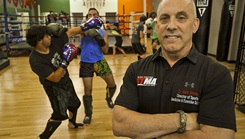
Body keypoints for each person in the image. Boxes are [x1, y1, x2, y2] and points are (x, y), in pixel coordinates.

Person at [112, 0, 236, 139]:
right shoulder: (137, 69)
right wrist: (183, 120)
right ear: (157, 26)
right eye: (164, 19)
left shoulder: (216, 74)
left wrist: (146, 130)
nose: (171, 26)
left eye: (181, 18)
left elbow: (220, 136)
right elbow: (119, 124)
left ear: (195, 25)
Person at [27, 17, 102, 138]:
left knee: (75, 104)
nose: (50, 37)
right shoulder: (36, 61)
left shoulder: (53, 42)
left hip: (66, 80)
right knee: (59, 114)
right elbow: (55, 78)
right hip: (54, 87)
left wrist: (86, 26)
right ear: (39, 41)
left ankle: (72, 124)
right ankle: (43, 137)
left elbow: (70, 32)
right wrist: (65, 61)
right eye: (46, 36)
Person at [79, 8, 117, 125]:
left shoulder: (103, 32)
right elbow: (83, 32)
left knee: (112, 85)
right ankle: (88, 114)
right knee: (87, 90)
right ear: (86, 18)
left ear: (98, 17)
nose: (92, 16)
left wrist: (99, 38)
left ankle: (108, 97)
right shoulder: (82, 30)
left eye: (94, 15)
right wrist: (89, 30)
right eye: (89, 15)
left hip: (100, 61)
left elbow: (105, 50)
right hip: (86, 62)